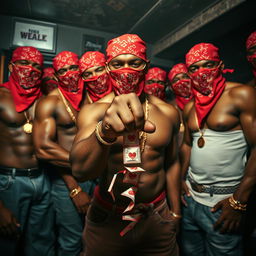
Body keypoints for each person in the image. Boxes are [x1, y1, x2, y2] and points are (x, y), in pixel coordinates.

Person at [70, 34, 180, 256]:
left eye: (134, 63)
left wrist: (175, 211)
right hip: (109, 215)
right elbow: (80, 171)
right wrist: (105, 132)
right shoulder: (94, 111)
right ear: (108, 67)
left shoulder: (168, 112)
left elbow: (172, 163)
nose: (127, 70)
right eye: (118, 64)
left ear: (146, 66)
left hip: (155, 214)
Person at [180, 42, 256, 256]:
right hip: (191, 200)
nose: (201, 72)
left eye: (208, 65)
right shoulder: (189, 106)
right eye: (194, 68)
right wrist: (179, 180)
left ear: (221, 65)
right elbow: (187, 144)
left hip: (223, 203)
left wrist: (238, 201)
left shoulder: (242, 94)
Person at [33, 51, 96, 256]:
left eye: (73, 68)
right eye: (63, 71)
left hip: (97, 178)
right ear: (57, 75)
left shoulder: (92, 95)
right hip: (67, 181)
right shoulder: (50, 102)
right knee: (72, 241)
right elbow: (44, 149)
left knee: (97, 238)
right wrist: (74, 187)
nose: (69, 73)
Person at [0, 46, 54, 256]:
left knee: (42, 245)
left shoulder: (44, 101)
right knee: (7, 244)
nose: (30, 69)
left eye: (35, 66)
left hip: (42, 179)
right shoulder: (1, 96)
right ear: (12, 66)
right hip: (9, 181)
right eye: (24, 63)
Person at [168, 63, 193, 146]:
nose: (182, 82)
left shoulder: (204, 103)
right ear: (171, 87)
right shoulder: (170, 108)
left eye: (185, 77)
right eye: (176, 80)